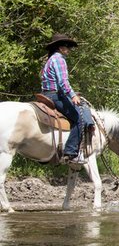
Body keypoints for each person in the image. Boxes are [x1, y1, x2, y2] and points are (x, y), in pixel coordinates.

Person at [40, 33, 93, 165]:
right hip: (55, 95)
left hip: (46, 94)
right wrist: (73, 95)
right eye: (67, 46)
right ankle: (71, 152)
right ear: (60, 47)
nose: (69, 49)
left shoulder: (50, 59)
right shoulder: (59, 59)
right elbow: (63, 82)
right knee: (79, 117)